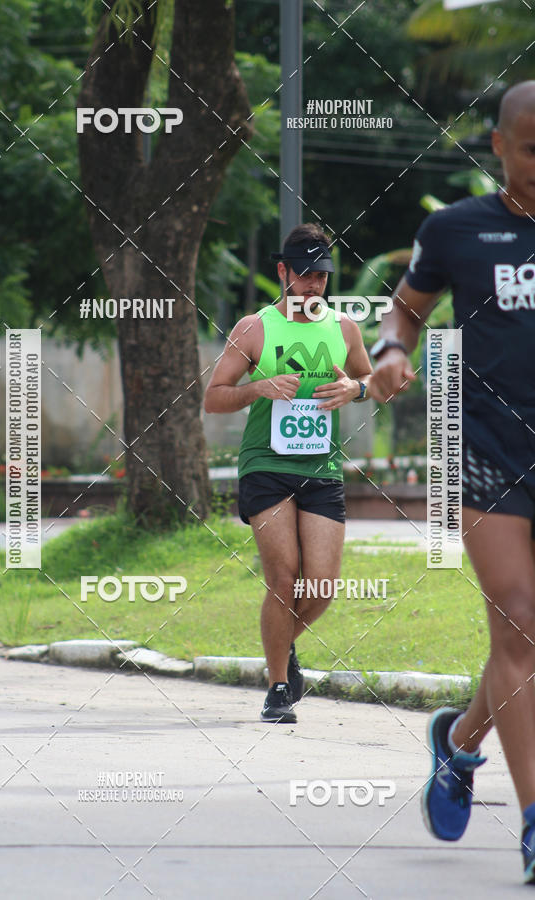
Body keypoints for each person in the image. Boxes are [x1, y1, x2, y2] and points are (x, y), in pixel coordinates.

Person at [370, 80, 535, 883]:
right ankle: (534, 827)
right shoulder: (456, 229)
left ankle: (460, 743)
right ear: (499, 146)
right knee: (520, 625)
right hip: (489, 451)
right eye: (532, 148)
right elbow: (406, 309)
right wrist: (391, 351)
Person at [204, 223, 373, 723]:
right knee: (284, 578)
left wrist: (356, 390)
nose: (313, 285)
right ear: (283, 271)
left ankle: (281, 647)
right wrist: (257, 388)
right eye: (304, 275)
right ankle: (278, 687)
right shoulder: (254, 328)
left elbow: (374, 379)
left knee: (320, 587)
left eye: (321, 276)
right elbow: (214, 398)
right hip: (266, 465)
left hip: (321, 467)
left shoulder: (344, 329)